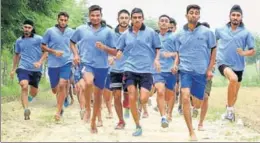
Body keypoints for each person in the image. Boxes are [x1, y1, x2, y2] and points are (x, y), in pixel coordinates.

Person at [70, 5, 117, 133]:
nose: (95, 18)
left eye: (97, 15)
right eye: (93, 15)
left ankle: (93, 122)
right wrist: (75, 54)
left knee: (98, 96)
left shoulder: (108, 32)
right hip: (87, 63)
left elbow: (115, 51)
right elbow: (72, 42)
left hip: (102, 66)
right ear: (89, 16)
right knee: (88, 82)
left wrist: (104, 48)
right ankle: (87, 109)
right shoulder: (81, 29)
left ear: (101, 16)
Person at [174, 4, 217, 141]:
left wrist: (209, 68)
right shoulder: (179, 34)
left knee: (198, 103)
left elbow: (214, 50)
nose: (194, 15)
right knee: (185, 96)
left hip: (201, 72)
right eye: (191, 12)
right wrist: (175, 64)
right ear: (186, 15)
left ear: (199, 16)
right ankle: (191, 131)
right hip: (185, 70)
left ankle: (195, 106)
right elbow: (178, 52)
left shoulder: (207, 32)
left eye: (196, 13)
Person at [116, 8, 161, 136]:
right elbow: (120, 49)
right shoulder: (125, 34)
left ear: (142, 18)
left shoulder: (151, 32)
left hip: (146, 69)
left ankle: (144, 100)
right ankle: (137, 126)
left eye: (139, 17)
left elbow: (158, 48)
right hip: (129, 68)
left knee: (143, 98)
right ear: (131, 19)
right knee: (131, 96)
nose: (136, 20)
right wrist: (117, 55)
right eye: (134, 17)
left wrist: (157, 60)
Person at [215, 5, 255, 122]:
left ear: (241, 18)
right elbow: (212, 42)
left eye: (238, 15)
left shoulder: (246, 33)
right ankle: (230, 111)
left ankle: (229, 112)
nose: (235, 17)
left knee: (234, 94)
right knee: (233, 79)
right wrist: (214, 57)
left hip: (239, 65)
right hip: (223, 62)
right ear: (229, 16)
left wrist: (243, 53)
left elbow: (252, 50)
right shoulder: (220, 30)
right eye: (233, 15)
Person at [10, 19, 48, 120]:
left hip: (36, 70)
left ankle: (28, 99)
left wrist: (39, 62)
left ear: (32, 28)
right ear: (22, 28)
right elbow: (17, 55)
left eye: (29, 27)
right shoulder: (19, 41)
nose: (27, 29)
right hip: (23, 67)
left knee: (34, 92)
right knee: (24, 85)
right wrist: (13, 69)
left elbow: (46, 52)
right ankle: (26, 109)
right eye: (25, 27)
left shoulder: (39, 39)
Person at [41, 12, 74, 121]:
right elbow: (43, 45)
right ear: (58, 20)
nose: (63, 22)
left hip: (66, 62)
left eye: (65, 20)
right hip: (53, 63)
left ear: (67, 21)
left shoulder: (71, 32)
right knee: (55, 89)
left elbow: (74, 45)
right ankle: (61, 102)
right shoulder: (50, 31)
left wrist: (75, 56)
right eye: (61, 20)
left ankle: (58, 111)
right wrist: (53, 51)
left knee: (62, 83)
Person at [153, 14, 178, 126]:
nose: (163, 22)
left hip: (171, 70)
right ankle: (163, 117)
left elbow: (178, 53)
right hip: (157, 69)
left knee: (170, 94)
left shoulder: (174, 37)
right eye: (161, 20)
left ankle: (169, 113)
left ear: (169, 24)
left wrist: (175, 64)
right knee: (160, 91)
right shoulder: (153, 36)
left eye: (166, 21)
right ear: (158, 23)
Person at [109, 9, 131, 129]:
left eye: (126, 18)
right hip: (115, 69)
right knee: (117, 95)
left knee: (129, 94)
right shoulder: (112, 34)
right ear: (118, 19)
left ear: (129, 20)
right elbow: (108, 49)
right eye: (121, 18)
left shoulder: (134, 34)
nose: (123, 20)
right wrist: (110, 57)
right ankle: (121, 121)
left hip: (129, 69)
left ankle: (127, 103)